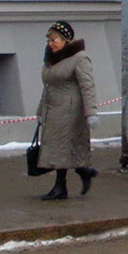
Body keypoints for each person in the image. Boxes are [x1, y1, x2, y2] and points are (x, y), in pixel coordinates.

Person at [36, 21, 99, 200]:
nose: (51, 43)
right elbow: (48, 87)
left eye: (54, 39)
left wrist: (91, 113)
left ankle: (60, 187)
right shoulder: (51, 59)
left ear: (66, 40)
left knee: (61, 148)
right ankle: (84, 171)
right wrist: (40, 110)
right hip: (53, 110)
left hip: (70, 110)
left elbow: (88, 86)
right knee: (61, 148)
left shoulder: (79, 58)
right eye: (49, 39)